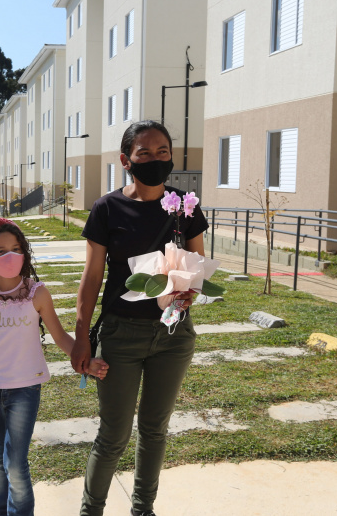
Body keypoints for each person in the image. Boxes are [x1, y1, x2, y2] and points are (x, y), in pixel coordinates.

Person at [70, 120, 209, 516]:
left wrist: (176, 311)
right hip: (120, 334)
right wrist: (82, 337)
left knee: (154, 430)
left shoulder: (186, 206)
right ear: (125, 160)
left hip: (173, 338)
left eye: (162, 151)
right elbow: (92, 277)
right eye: (143, 153)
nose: (154, 159)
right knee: (113, 434)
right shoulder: (107, 208)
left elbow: (196, 270)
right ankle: (91, 510)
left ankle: (142, 509)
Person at [0, 218, 108, 516]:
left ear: (25, 253)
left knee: (15, 462)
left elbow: (60, 336)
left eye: (16, 249)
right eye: (0, 250)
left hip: (24, 391)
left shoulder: (37, 293)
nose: (10, 256)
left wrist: (86, 363)